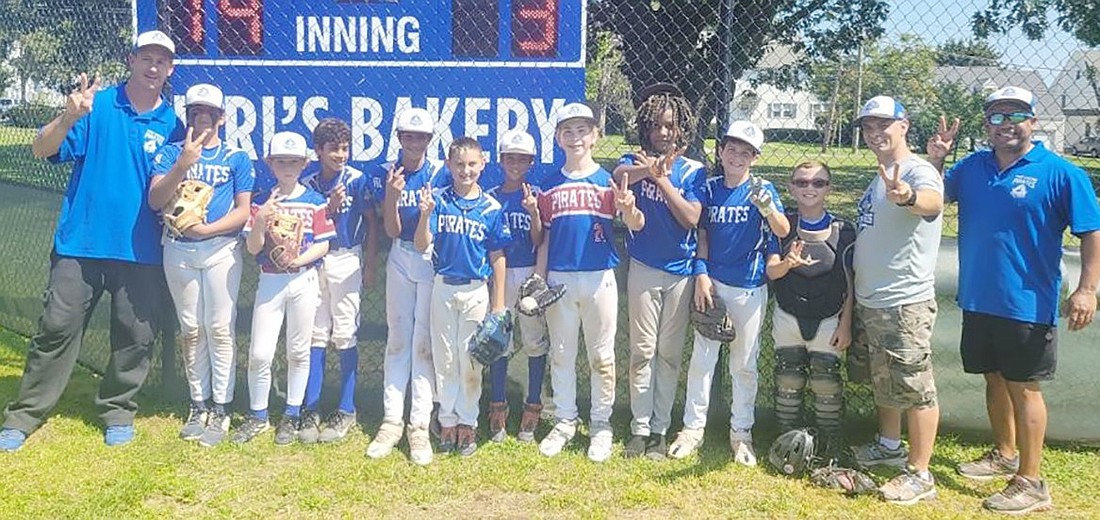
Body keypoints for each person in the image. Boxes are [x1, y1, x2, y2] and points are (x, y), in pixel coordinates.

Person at [0, 30, 184, 452]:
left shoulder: (174, 125)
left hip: (142, 249)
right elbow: (40, 149)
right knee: (55, 330)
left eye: (162, 60)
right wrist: (68, 117)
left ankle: (117, 409)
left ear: (170, 69)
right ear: (131, 60)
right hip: (80, 244)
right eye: (146, 58)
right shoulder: (95, 105)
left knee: (135, 336)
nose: (153, 67)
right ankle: (25, 415)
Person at [927, 86, 1100, 514]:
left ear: (1033, 121)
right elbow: (932, 198)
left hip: (1028, 302)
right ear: (986, 124)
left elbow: (1091, 233)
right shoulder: (971, 168)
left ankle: (1032, 481)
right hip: (979, 298)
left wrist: (1088, 288)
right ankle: (1004, 454)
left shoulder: (1062, 173)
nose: (1006, 124)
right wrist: (937, 159)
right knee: (994, 378)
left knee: (1024, 388)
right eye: (997, 117)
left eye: (1016, 114)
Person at [667, 120, 790, 465]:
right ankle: (692, 429)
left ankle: (741, 433)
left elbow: (782, 228)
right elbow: (700, 234)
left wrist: (766, 205)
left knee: (744, 365)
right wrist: (701, 274)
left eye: (746, 152)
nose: (737, 156)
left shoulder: (761, 187)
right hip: (713, 284)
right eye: (731, 149)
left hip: (749, 287)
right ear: (720, 152)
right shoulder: (709, 188)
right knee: (702, 361)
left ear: (755, 157)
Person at [846, 96, 945, 505]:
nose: (874, 133)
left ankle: (920, 473)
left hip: (904, 301)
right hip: (874, 299)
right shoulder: (881, 172)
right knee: (884, 381)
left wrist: (906, 197)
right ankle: (889, 447)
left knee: (915, 386)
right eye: (868, 127)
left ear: (904, 125)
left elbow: (931, 204)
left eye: (883, 124)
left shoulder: (917, 171)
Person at [535, 102, 645, 462]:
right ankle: (565, 419)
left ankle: (601, 423)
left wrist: (627, 206)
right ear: (557, 137)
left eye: (583, 130)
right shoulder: (549, 185)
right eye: (568, 130)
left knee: (601, 354)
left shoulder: (608, 181)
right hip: (560, 278)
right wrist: (540, 279)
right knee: (562, 353)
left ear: (596, 135)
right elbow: (545, 238)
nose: (576, 137)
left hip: (599, 277)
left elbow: (636, 224)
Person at [147, 83, 254, 447]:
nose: (202, 117)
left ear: (222, 117)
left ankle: (221, 407)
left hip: (220, 248)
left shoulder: (236, 157)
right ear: (188, 115)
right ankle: (199, 403)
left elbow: (242, 212)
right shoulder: (170, 154)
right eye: (195, 112)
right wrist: (182, 165)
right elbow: (156, 200)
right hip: (178, 248)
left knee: (220, 326)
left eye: (209, 112)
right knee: (191, 327)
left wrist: (205, 228)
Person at [612, 83, 706, 460]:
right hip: (644, 267)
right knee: (642, 350)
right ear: (646, 128)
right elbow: (618, 175)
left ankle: (660, 429)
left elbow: (691, 218)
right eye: (656, 126)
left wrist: (662, 178)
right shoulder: (632, 159)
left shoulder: (694, 170)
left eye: (670, 126)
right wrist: (646, 169)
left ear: (681, 129)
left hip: (681, 272)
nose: (663, 132)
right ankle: (638, 426)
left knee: (668, 353)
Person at [232, 131, 335, 446]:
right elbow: (252, 248)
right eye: (281, 161)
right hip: (271, 279)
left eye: (294, 161)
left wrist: (300, 259)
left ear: (305, 163)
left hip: (302, 278)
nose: (287, 167)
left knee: (298, 350)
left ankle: (291, 415)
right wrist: (261, 220)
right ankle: (258, 414)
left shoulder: (314, 200)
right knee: (260, 352)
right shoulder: (262, 200)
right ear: (270, 163)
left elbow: (324, 244)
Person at [414, 137, 511, 460]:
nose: (465, 170)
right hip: (443, 285)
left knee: (470, 359)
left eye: (472, 164)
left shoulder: (491, 208)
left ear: (483, 164)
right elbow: (419, 245)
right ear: (448, 165)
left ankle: (468, 421)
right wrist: (425, 215)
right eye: (459, 164)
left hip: (474, 290)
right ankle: (447, 420)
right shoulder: (438, 201)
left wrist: (498, 304)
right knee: (445, 358)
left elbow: (497, 256)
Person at [367, 108, 450, 464]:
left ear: (431, 141)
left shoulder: (442, 172)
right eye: (409, 136)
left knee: (424, 344)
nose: (415, 142)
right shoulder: (387, 172)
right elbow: (390, 232)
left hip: (430, 256)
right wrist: (391, 194)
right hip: (400, 256)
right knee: (398, 339)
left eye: (422, 137)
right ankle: (390, 421)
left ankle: (418, 425)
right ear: (399, 138)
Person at [298, 118, 380, 444]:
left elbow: (373, 223)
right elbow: (308, 228)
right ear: (318, 150)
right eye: (333, 148)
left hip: (347, 258)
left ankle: (347, 408)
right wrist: (327, 208)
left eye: (345, 148)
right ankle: (311, 408)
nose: (340, 154)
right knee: (315, 333)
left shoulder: (357, 180)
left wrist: (371, 266)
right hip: (315, 260)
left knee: (345, 333)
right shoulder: (308, 183)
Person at [765, 161, 855, 456]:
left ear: (829, 188)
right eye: (801, 182)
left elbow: (851, 282)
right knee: (787, 380)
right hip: (788, 314)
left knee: (826, 383)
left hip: (829, 317)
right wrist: (788, 263)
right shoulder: (782, 226)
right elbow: (771, 272)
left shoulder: (843, 230)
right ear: (791, 187)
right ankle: (786, 443)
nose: (809, 188)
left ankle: (831, 444)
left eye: (818, 183)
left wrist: (845, 323)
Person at [483, 129, 550, 443]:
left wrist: (534, 213)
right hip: (500, 273)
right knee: (500, 337)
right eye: (510, 158)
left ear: (531, 162)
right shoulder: (491, 195)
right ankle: (498, 404)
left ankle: (532, 405)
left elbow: (539, 240)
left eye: (522, 159)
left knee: (535, 340)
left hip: (528, 271)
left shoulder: (536, 193)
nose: (515, 164)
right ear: (501, 160)